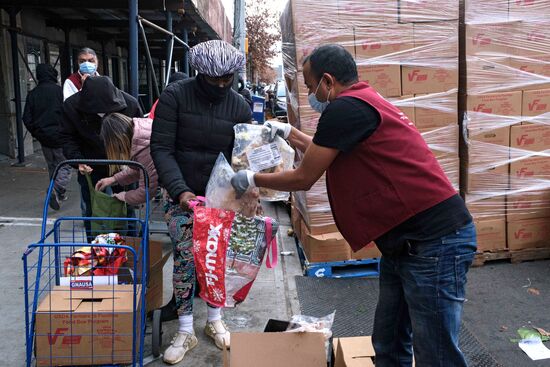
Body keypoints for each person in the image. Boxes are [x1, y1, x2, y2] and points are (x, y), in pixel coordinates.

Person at [231, 44, 476, 367]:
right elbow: (327, 150)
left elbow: (304, 177)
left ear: (328, 81)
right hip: (406, 244)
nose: (310, 94)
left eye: (309, 86)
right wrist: (289, 132)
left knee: (437, 354)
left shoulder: (346, 108)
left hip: (434, 243)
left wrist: (251, 178)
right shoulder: (361, 102)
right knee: (388, 341)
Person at [150, 40, 252, 365]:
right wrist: (180, 191)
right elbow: (162, 149)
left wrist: (244, 185)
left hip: (220, 199)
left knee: (215, 258)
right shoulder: (174, 97)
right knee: (184, 257)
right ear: (200, 73)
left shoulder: (240, 106)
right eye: (215, 79)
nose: (222, 85)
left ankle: (214, 320)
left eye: (228, 79)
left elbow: (243, 156)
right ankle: (184, 329)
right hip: (181, 195)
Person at [60, 76, 143, 235]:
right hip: (90, 164)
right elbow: (66, 137)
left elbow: (138, 136)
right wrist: (78, 161)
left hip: (123, 164)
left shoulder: (130, 104)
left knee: (128, 206)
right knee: (93, 210)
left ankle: (131, 248)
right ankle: (96, 249)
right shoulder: (71, 106)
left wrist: (130, 161)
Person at [22, 64, 72, 210]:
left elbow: (26, 118)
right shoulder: (61, 92)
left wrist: (37, 133)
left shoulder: (33, 94)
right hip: (61, 136)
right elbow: (70, 113)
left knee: (52, 166)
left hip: (44, 138)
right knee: (65, 165)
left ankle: (58, 194)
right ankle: (56, 191)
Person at [94, 113, 158, 206]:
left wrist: (123, 196)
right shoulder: (142, 135)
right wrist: (113, 179)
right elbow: (142, 170)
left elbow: (146, 191)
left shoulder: (145, 148)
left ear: (119, 140)